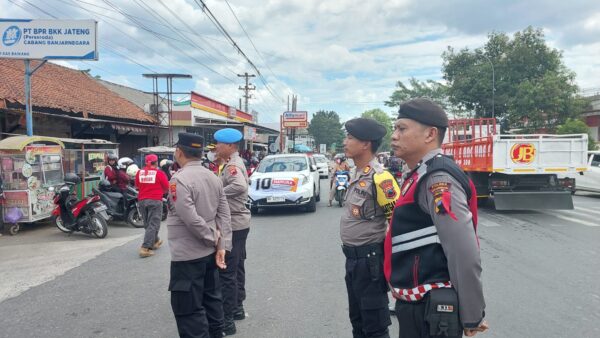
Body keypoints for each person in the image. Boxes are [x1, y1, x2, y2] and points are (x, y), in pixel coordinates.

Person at [384, 98, 488, 338]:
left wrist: (472, 315)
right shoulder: (420, 173)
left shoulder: (437, 179)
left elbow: (463, 251)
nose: (394, 136)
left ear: (430, 134)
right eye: (395, 128)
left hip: (429, 312)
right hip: (417, 306)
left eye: (402, 128)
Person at [340, 117, 401, 338]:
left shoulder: (380, 178)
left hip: (370, 262)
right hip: (353, 261)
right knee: (357, 321)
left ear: (365, 144)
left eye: (349, 137)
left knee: (374, 326)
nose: (345, 142)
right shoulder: (356, 173)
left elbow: (397, 221)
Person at [167, 132, 232, 338]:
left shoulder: (179, 180)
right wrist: (220, 245)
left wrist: (213, 238)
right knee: (212, 300)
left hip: (188, 256)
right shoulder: (213, 177)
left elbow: (191, 219)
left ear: (179, 152)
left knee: (188, 310)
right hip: (210, 254)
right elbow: (224, 214)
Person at [214, 128, 251, 335]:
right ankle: (237, 307)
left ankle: (227, 319)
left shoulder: (233, 165)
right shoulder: (231, 162)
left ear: (229, 146)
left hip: (234, 223)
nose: (216, 147)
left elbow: (239, 186)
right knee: (237, 267)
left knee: (227, 271)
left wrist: (217, 193)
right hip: (239, 223)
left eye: (218, 144)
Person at [135, 154, 169, 258]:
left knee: (148, 224)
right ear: (156, 162)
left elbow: (137, 186)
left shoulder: (139, 173)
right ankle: (145, 248)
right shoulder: (159, 173)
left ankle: (154, 241)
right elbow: (166, 187)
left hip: (142, 201)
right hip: (154, 201)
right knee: (153, 224)